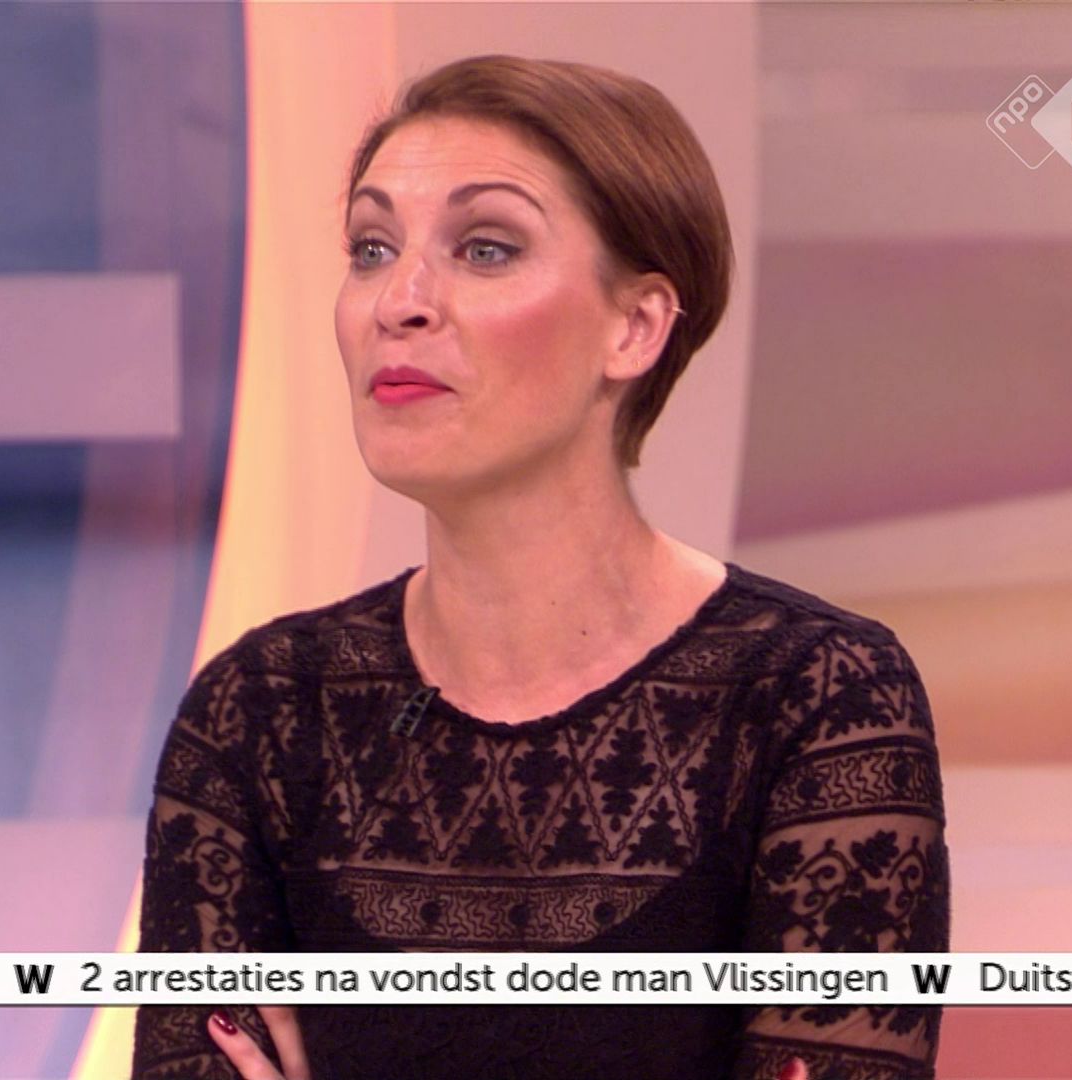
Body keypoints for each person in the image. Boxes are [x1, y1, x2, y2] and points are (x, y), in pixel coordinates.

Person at [132, 55, 950, 1080]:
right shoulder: (259, 710)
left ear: (635, 326)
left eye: (485, 248)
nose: (399, 301)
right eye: (372, 248)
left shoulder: (818, 697)